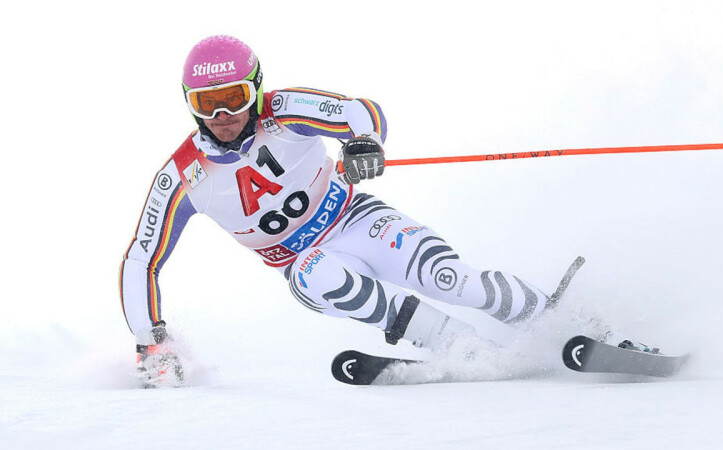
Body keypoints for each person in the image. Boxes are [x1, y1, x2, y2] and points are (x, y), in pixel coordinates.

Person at [120, 35, 557, 385]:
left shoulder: (283, 110)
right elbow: (142, 258)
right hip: (307, 264)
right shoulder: (182, 176)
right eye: (205, 102)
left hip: (357, 220)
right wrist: (149, 339)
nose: (222, 114)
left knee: (446, 278)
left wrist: (363, 142)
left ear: (256, 88)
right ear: (189, 103)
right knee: (316, 271)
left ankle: (556, 319)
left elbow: (357, 111)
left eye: (234, 97)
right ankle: (459, 346)